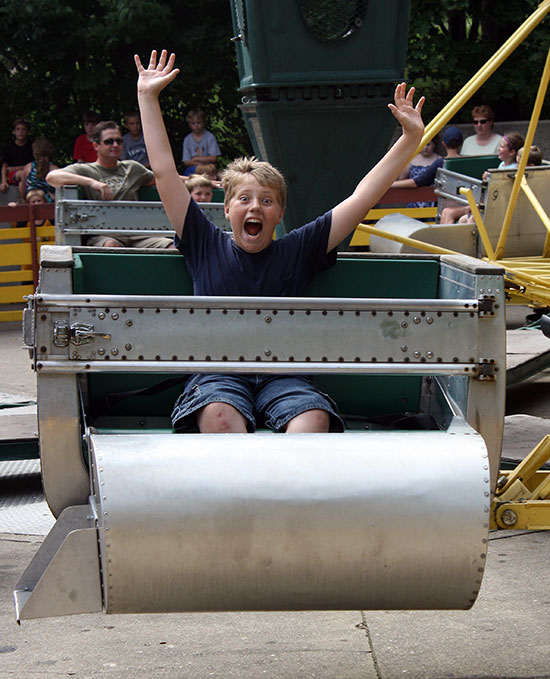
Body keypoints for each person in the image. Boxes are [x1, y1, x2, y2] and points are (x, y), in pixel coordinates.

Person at [136, 49, 424, 435]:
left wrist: (410, 139)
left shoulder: (298, 249)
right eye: (245, 199)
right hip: (220, 376)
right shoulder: (205, 242)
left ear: (278, 212)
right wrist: (147, 97)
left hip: (284, 376)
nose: (255, 206)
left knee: (311, 422)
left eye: (266, 201)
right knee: (219, 417)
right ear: (227, 209)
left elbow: (361, 199)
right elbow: (165, 174)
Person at [47, 120, 175, 248]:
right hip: (105, 234)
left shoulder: (132, 168)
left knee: (171, 246)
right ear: (96, 146)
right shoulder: (86, 170)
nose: (115, 145)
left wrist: (193, 179)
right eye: (109, 141)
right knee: (111, 246)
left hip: (137, 234)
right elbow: (52, 177)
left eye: (118, 141)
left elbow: (165, 178)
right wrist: (92, 183)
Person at [391, 126, 462, 191]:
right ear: (461, 143)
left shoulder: (440, 163)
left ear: (443, 144)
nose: (425, 147)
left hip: (446, 203)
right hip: (467, 203)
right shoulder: (469, 161)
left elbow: (417, 182)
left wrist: (389, 184)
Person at [396, 137, 441, 207]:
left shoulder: (439, 160)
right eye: (423, 144)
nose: (425, 147)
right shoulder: (410, 160)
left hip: (433, 203)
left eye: (428, 144)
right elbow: (402, 181)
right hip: (413, 203)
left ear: (434, 145)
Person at [18, 137, 59, 202]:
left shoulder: (27, 169)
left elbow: (23, 195)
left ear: (34, 153)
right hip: (50, 208)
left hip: (32, 206)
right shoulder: (55, 170)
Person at [181, 108, 220, 176]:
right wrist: (203, 162)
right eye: (193, 123)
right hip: (193, 169)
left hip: (209, 169)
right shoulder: (187, 140)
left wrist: (195, 159)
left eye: (199, 122)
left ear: (203, 122)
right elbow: (186, 162)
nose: (196, 125)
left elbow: (214, 158)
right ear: (189, 124)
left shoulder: (210, 137)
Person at [1, 118, 34, 192]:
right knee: (21, 174)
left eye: (23, 129)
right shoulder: (9, 147)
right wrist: (3, 181)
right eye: (18, 129)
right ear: (14, 132)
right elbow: (4, 166)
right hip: (13, 175)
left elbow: (33, 164)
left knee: (22, 181)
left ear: (28, 132)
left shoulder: (31, 146)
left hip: (28, 174)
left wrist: (15, 168)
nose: (20, 132)